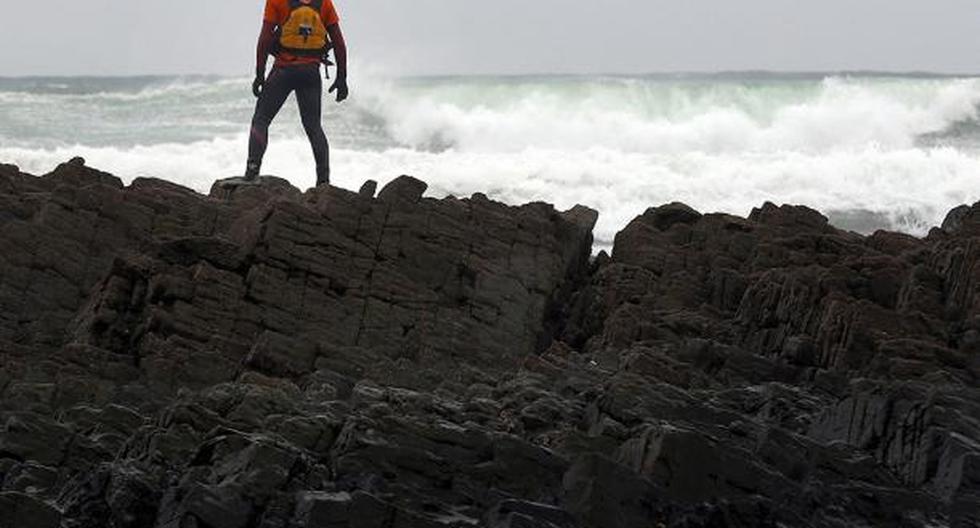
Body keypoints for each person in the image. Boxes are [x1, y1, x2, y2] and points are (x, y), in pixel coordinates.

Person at [245, 0, 349, 186]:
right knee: (313, 126)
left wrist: (260, 74)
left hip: (283, 71)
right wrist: (341, 78)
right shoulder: (324, 3)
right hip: (310, 73)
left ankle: (252, 172)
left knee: (261, 119)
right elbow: (339, 43)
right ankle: (323, 181)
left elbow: (264, 40)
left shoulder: (276, 2)